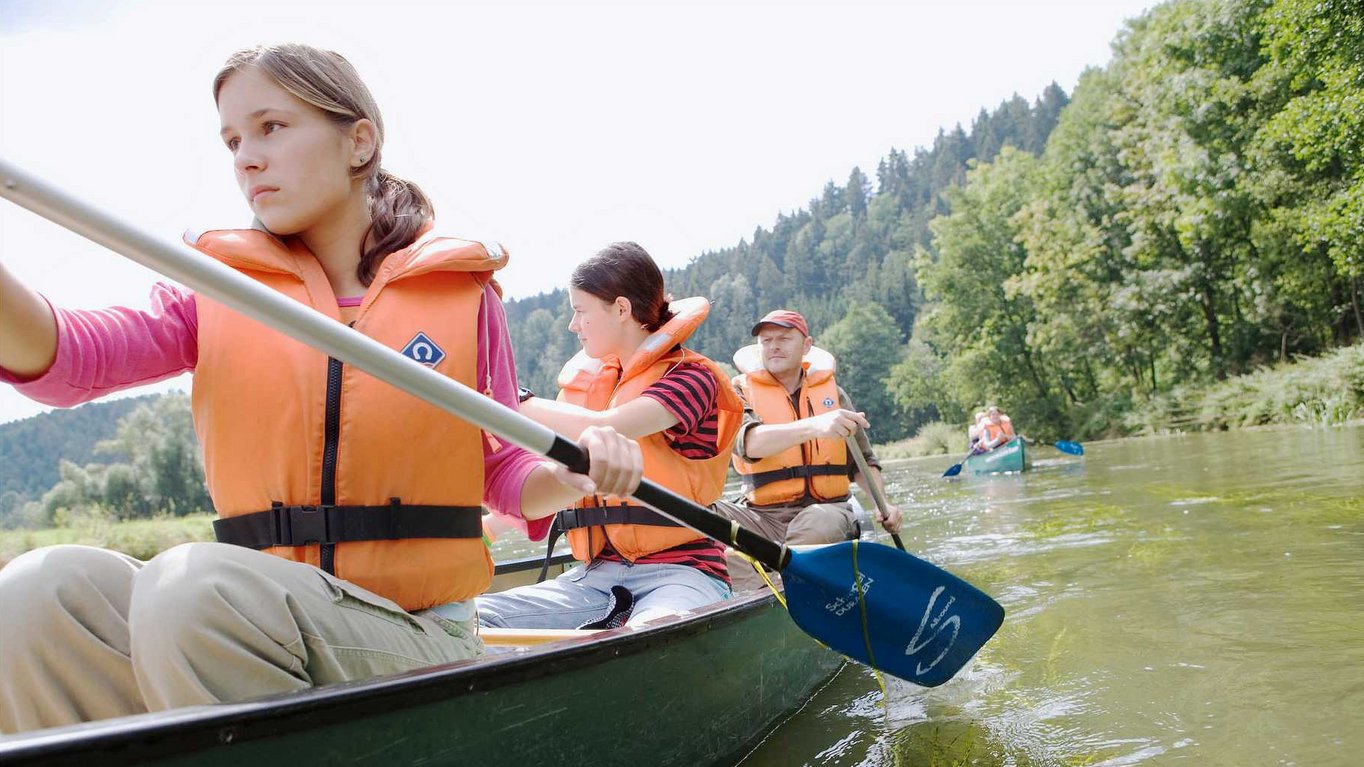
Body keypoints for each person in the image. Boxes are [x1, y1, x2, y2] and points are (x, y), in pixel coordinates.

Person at [0, 44, 643, 734]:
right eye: (232, 140)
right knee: (35, 595)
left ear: (358, 141)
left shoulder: (462, 295)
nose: (246, 157)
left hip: (414, 632)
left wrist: (578, 472)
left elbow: (503, 471)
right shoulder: (219, 288)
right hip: (250, 618)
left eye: (271, 127)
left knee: (190, 591)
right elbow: (66, 358)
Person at [476, 242, 743, 629]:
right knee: (479, 621)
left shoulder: (691, 377)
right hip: (596, 576)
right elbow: (558, 474)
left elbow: (611, 429)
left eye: (580, 311)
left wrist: (511, 401)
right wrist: (488, 529)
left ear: (621, 309)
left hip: (683, 572)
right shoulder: (591, 388)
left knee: (648, 633)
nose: (573, 325)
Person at [713, 309, 903, 591]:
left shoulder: (834, 395)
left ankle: (766, 582)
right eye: (766, 341)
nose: (774, 345)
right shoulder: (739, 392)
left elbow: (863, 462)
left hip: (826, 509)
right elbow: (749, 444)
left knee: (817, 521)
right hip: (761, 517)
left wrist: (882, 505)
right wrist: (817, 426)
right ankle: (770, 585)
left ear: (806, 345)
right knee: (700, 512)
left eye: (784, 338)